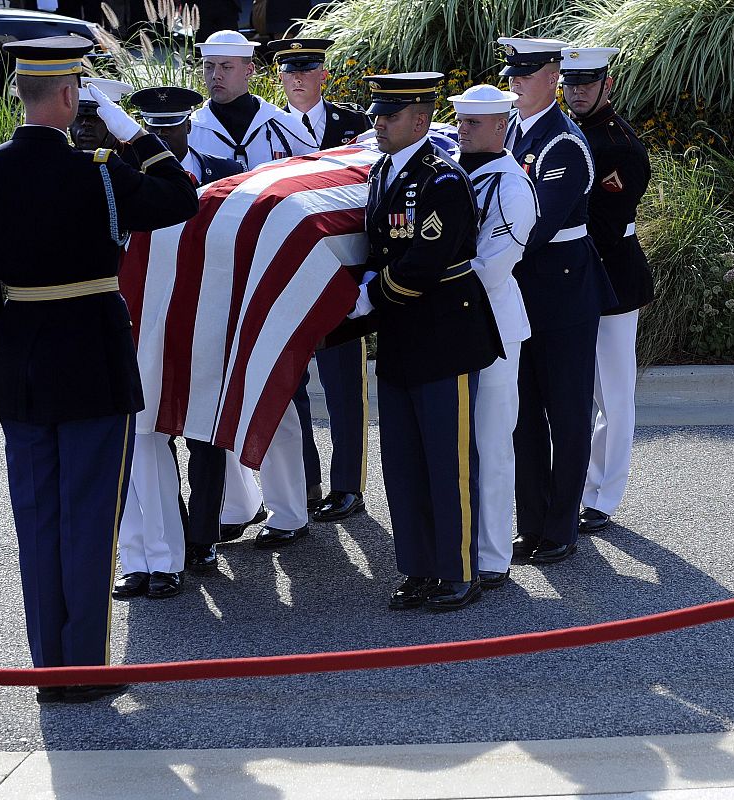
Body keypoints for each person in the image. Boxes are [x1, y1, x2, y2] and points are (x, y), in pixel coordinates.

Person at [0, 36, 198, 703]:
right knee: (88, 520)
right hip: (92, 362)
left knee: (38, 520)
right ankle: (84, 669)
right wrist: (128, 128)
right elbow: (180, 198)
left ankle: (48, 668)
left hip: (20, 367)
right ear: (68, 95)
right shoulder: (96, 170)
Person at [348, 73, 503, 611]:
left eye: (389, 116)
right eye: (377, 114)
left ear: (419, 120)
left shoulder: (442, 181)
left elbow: (425, 261)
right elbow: (379, 245)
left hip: (444, 337)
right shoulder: (381, 174)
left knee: (449, 459)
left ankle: (459, 571)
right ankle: (417, 568)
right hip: (400, 337)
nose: (379, 122)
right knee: (404, 461)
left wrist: (371, 297)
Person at [185, 30, 317, 563]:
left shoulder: (284, 128)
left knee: (277, 392)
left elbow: (311, 195)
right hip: (211, 279)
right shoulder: (189, 130)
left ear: (249, 69)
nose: (216, 76)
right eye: (209, 66)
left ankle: (289, 512)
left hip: (271, 279)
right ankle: (235, 508)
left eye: (227, 67)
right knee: (211, 398)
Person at [112, 85, 244, 601]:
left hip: (199, 320)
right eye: (154, 129)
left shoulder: (218, 172)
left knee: (202, 432)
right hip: (139, 322)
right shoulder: (120, 175)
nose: (164, 137)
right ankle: (157, 551)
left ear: (190, 126)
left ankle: (204, 533)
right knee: (143, 439)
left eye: (172, 128)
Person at [497, 37, 617, 564]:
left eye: (528, 73)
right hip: (522, 291)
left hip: (564, 291)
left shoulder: (563, 144)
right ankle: (533, 523)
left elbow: (537, 225)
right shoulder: (510, 134)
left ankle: (561, 527)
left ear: (554, 78)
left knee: (567, 414)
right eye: (512, 73)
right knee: (524, 415)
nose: (516, 81)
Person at [269, 36, 372, 523]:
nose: (297, 78)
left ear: (324, 75)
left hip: (340, 271)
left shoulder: (355, 125)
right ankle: (306, 481)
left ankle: (348, 486)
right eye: (289, 71)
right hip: (287, 276)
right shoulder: (266, 129)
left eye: (307, 69)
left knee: (343, 387)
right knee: (290, 385)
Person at [560, 47, 655, 534]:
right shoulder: (566, 129)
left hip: (613, 280)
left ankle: (604, 495)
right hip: (576, 279)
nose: (577, 91)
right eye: (571, 82)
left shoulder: (618, 145)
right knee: (582, 390)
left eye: (587, 83)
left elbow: (604, 223)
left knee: (613, 394)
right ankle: (579, 486)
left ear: (607, 84)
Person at [448, 83, 537, 589]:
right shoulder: (458, 170)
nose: (462, 130)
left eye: (474, 123)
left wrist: (428, 287)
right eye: (460, 121)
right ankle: (463, 546)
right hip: (456, 327)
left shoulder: (512, 185)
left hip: (495, 329)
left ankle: (493, 556)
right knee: (461, 445)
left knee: (492, 442)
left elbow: (492, 265)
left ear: (502, 125)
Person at [69, 78, 133, 152]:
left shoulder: (136, 157)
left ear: (116, 118)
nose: (86, 122)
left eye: (97, 115)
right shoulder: (60, 159)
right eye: (79, 115)